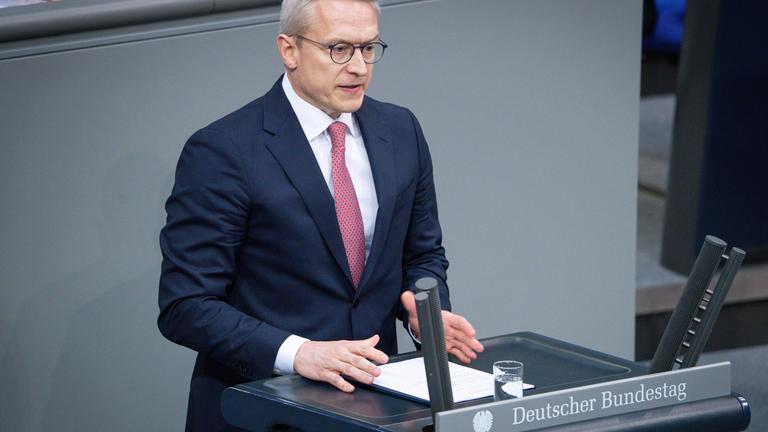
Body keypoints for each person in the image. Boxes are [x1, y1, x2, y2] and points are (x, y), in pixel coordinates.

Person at [157, 0, 484, 430]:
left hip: (378, 408)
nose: (359, 67)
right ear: (289, 49)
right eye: (339, 49)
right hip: (263, 410)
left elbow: (423, 255)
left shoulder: (401, 130)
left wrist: (424, 310)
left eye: (369, 48)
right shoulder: (224, 151)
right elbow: (186, 305)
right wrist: (299, 353)